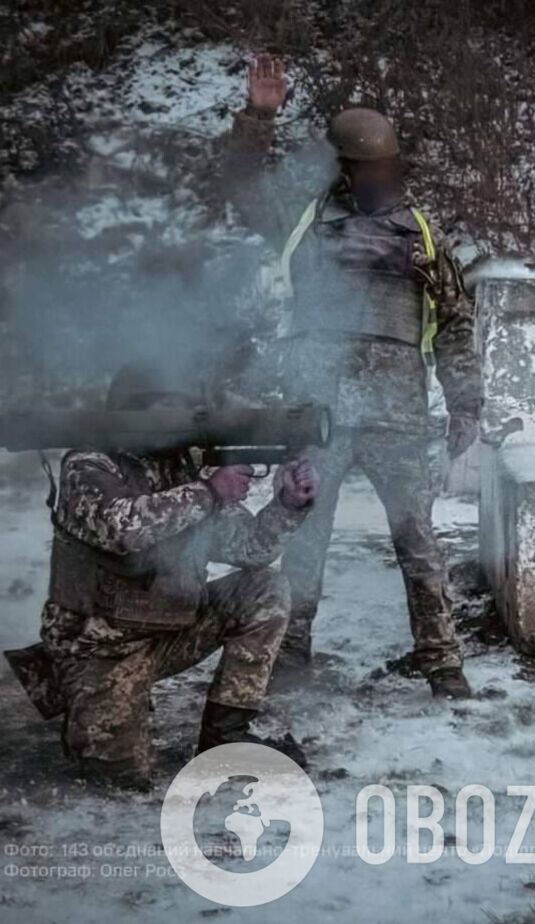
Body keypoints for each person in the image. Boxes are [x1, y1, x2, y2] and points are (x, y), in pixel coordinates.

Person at [223, 53, 480, 699]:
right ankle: (292, 651)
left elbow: (454, 319)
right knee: (305, 535)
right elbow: (243, 183)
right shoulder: (305, 216)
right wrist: (259, 115)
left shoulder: (422, 231)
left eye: (386, 167)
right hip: (320, 408)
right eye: (366, 168)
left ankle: (441, 660)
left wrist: (466, 403)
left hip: (397, 410)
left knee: (418, 540)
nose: (379, 177)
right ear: (342, 168)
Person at [22, 364, 317, 791]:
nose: (186, 418)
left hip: (169, 629)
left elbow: (251, 549)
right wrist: (209, 492)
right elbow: (122, 529)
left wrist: (288, 503)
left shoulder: (179, 468)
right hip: (102, 649)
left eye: (189, 408)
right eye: (172, 407)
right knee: (121, 780)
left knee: (266, 589)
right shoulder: (87, 465)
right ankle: (82, 698)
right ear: (133, 411)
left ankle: (225, 738)